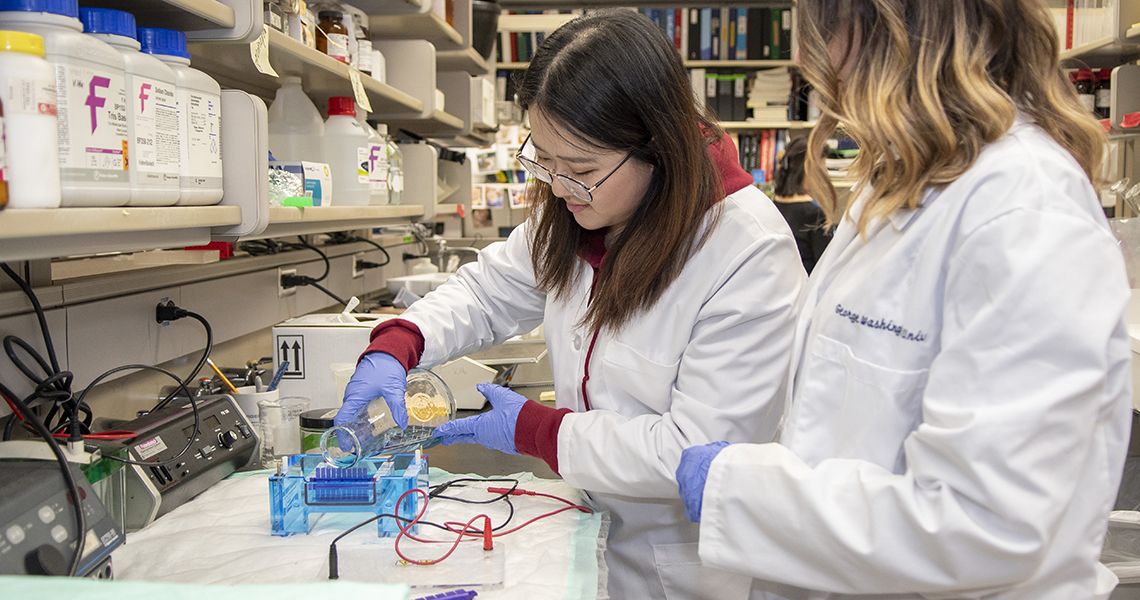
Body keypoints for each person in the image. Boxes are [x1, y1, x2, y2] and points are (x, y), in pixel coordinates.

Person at [338, 10, 805, 599]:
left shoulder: (744, 248)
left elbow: (695, 450)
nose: (557, 187)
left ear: (657, 146)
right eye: (545, 161)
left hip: (690, 567)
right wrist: (399, 342)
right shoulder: (580, 208)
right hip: (587, 533)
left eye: (579, 169)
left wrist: (538, 432)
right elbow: (486, 292)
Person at [676, 0, 1131, 598]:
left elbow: (984, 525)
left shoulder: (1023, 208)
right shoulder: (900, 183)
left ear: (883, 29)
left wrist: (742, 490)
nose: (810, 59)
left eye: (820, 28)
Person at [772, 137, 831, 274]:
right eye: (823, 168)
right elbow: (825, 268)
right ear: (808, 168)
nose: (826, 174)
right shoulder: (815, 215)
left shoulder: (773, 206)